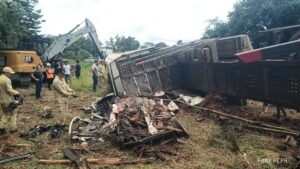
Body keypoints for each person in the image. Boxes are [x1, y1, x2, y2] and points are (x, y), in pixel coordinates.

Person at [0, 67, 20, 133]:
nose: (11, 75)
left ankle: (1, 128)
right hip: (8, 100)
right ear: (6, 72)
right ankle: (13, 128)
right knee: (13, 113)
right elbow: (9, 90)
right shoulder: (7, 80)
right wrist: (16, 92)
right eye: (10, 73)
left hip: (2, 100)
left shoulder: (0, 78)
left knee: (5, 113)